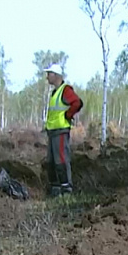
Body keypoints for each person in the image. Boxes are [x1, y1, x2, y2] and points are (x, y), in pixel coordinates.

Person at [44, 63, 84, 195]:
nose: (47, 77)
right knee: (51, 161)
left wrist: (68, 115)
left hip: (60, 131)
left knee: (61, 160)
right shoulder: (55, 92)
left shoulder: (65, 90)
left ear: (55, 75)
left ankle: (66, 188)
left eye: (49, 74)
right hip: (53, 132)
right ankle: (55, 188)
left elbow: (77, 103)